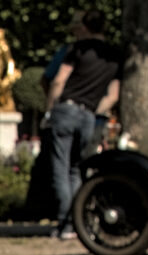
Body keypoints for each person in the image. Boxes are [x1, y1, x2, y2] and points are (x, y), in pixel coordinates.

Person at [42, 11, 123, 240]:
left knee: (60, 167)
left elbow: (58, 81)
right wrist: (95, 109)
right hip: (89, 115)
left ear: (85, 27)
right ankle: (77, 223)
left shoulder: (77, 49)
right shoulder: (115, 56)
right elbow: (113, 95)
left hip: (67, 110)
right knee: (77, 169)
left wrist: (50, 110)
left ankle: (64, 223)